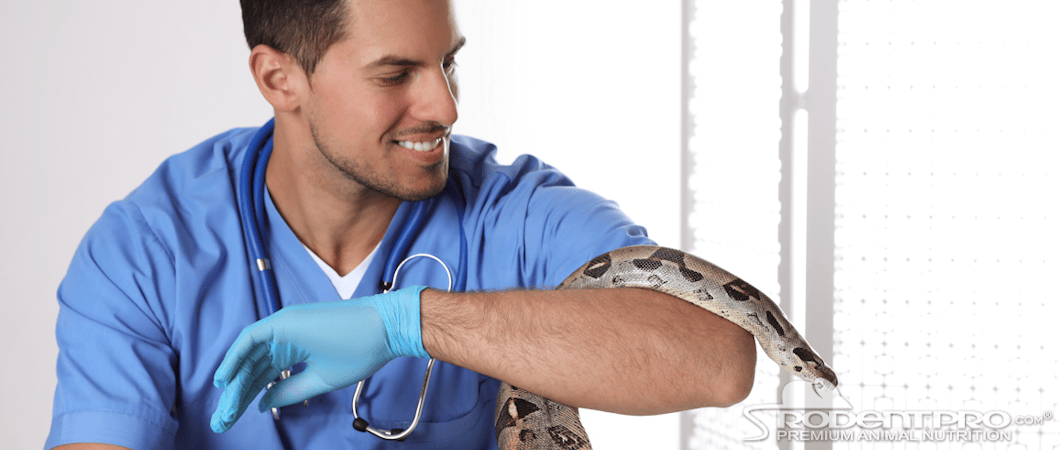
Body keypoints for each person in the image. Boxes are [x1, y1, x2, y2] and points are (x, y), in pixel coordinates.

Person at [45, 0, 756, 448]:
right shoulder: (145, 250)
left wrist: (409, 324)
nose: (445, 106)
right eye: (396, 75)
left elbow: (720, 360)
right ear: (278, 79)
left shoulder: (514, 214)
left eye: (448, 63)